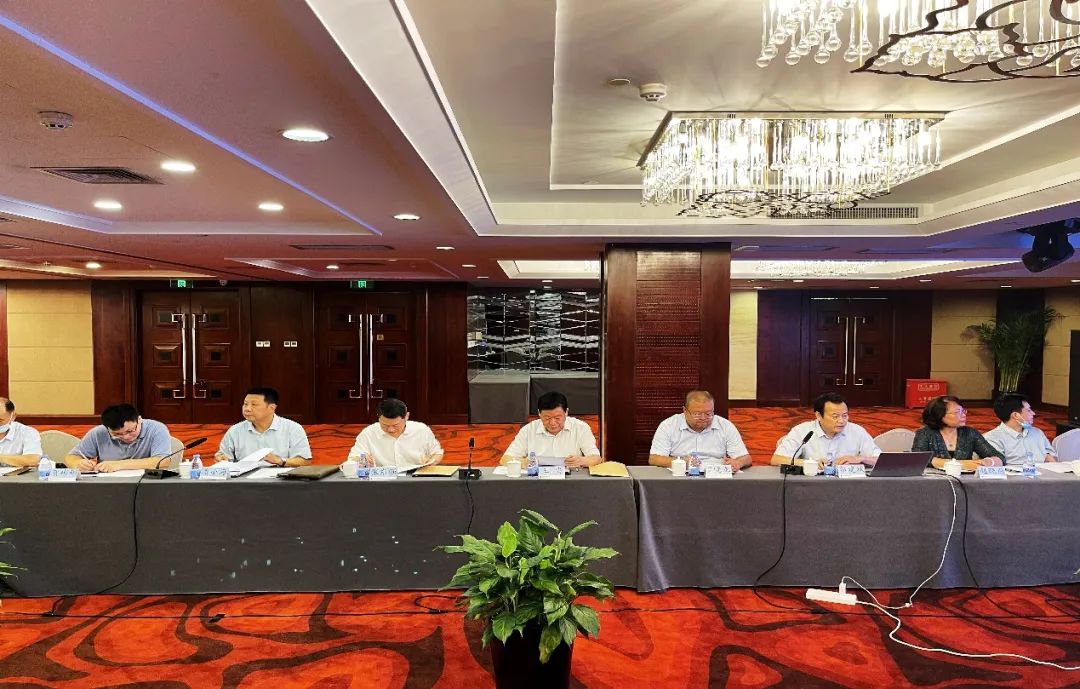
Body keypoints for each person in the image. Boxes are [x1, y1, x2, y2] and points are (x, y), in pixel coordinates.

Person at [770, 392, 881, 468]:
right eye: (835, 416)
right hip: (811, 486)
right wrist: (809, 463)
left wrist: (861, 459)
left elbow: (882, 461)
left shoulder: (857, 431)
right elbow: (776, 459)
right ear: (818, 415)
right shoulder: (802, 431)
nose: (841, 421)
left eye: (845, 415)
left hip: (848, 486)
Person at [649, 390, 751, 470]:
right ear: (685, 411)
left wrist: (738, 463)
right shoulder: (669, 425)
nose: (703, 418)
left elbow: (746, 458)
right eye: (697, 414)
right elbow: (654, 458)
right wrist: (680, 462)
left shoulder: (725, 426)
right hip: (681, 473)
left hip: (716, 476)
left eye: (708, 413)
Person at [502, 391, 602, 469]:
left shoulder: (580, 428)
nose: (553, 423)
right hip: (537, 481)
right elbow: (505, 459)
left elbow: (596, 458)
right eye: (547, 418)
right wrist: (524, 462)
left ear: (566, 412)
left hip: (571, 481)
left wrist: (581, 461)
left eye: (557, 418)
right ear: (539, 413)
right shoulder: (529, 429)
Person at [215, 387, 312, 467]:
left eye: (254, 404)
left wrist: (280, 461)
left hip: (281, 480)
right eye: (245, 404)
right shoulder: (235, 431)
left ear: (272, 408)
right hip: (245, 480)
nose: (247, 409)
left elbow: (305, 461)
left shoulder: (293, 429)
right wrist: (221, 459)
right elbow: (224, 458)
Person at [65, 403, 171, 472]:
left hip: (146, 484)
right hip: (108, 485)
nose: (126, 437)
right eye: (117, 434)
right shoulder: (99, 433)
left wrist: (119, 465)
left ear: (139, 420)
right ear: (107, 428)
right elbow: (71, 457)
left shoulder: (156, 429)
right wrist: (78, 463)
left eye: (130, 431)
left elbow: (163, 461)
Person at [346, 398, 443, 471]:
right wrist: (360, 458)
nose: (390, 429)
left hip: (415, 479)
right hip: (381, 481)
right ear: (378, 418)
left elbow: (437, 453)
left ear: (406, 416)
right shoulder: (368, 433)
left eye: (395, 425)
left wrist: (432, 461)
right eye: (385, 425)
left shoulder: (421, 430)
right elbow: (353, 458)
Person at [912, 395, 1003, 472]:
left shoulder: (970, 433)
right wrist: (961, 464)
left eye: (963, 411)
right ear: (940, 415)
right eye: (957, 412)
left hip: (965, 481)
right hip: (934, 480)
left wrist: (988, 462)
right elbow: (918, 459)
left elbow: (999, 457)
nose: (963, 415)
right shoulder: (925, 433)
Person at [982, 393, 1056, 466]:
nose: (1033, 413)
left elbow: (1050, 456)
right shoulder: (993, 439)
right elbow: (996, 467)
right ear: (1016, 415)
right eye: (1029, 410)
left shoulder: (1037, 432)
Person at [0, 397, 43, 468]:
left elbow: (33, 460)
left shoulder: (27, 432)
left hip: (17, 475)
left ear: (12, 417)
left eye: (0, 420)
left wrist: (1, 458)